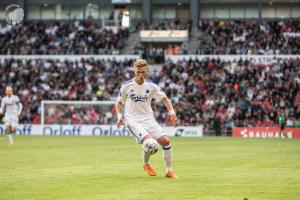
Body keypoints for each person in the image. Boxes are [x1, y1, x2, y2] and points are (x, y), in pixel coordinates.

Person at [115, 59, 178, 178]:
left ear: (147, 71)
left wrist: (172, 112)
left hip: (148, 119)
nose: (140, 75)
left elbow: (164, 98)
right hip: (132, 119)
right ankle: (146, 164)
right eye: (138, 72)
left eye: (143, 72)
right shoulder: (126, 86)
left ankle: (169, 171)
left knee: (166, 141)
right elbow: (119, 102)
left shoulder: (152, 86)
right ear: (134, 71)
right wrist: (119, 116)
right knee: (149, 142)